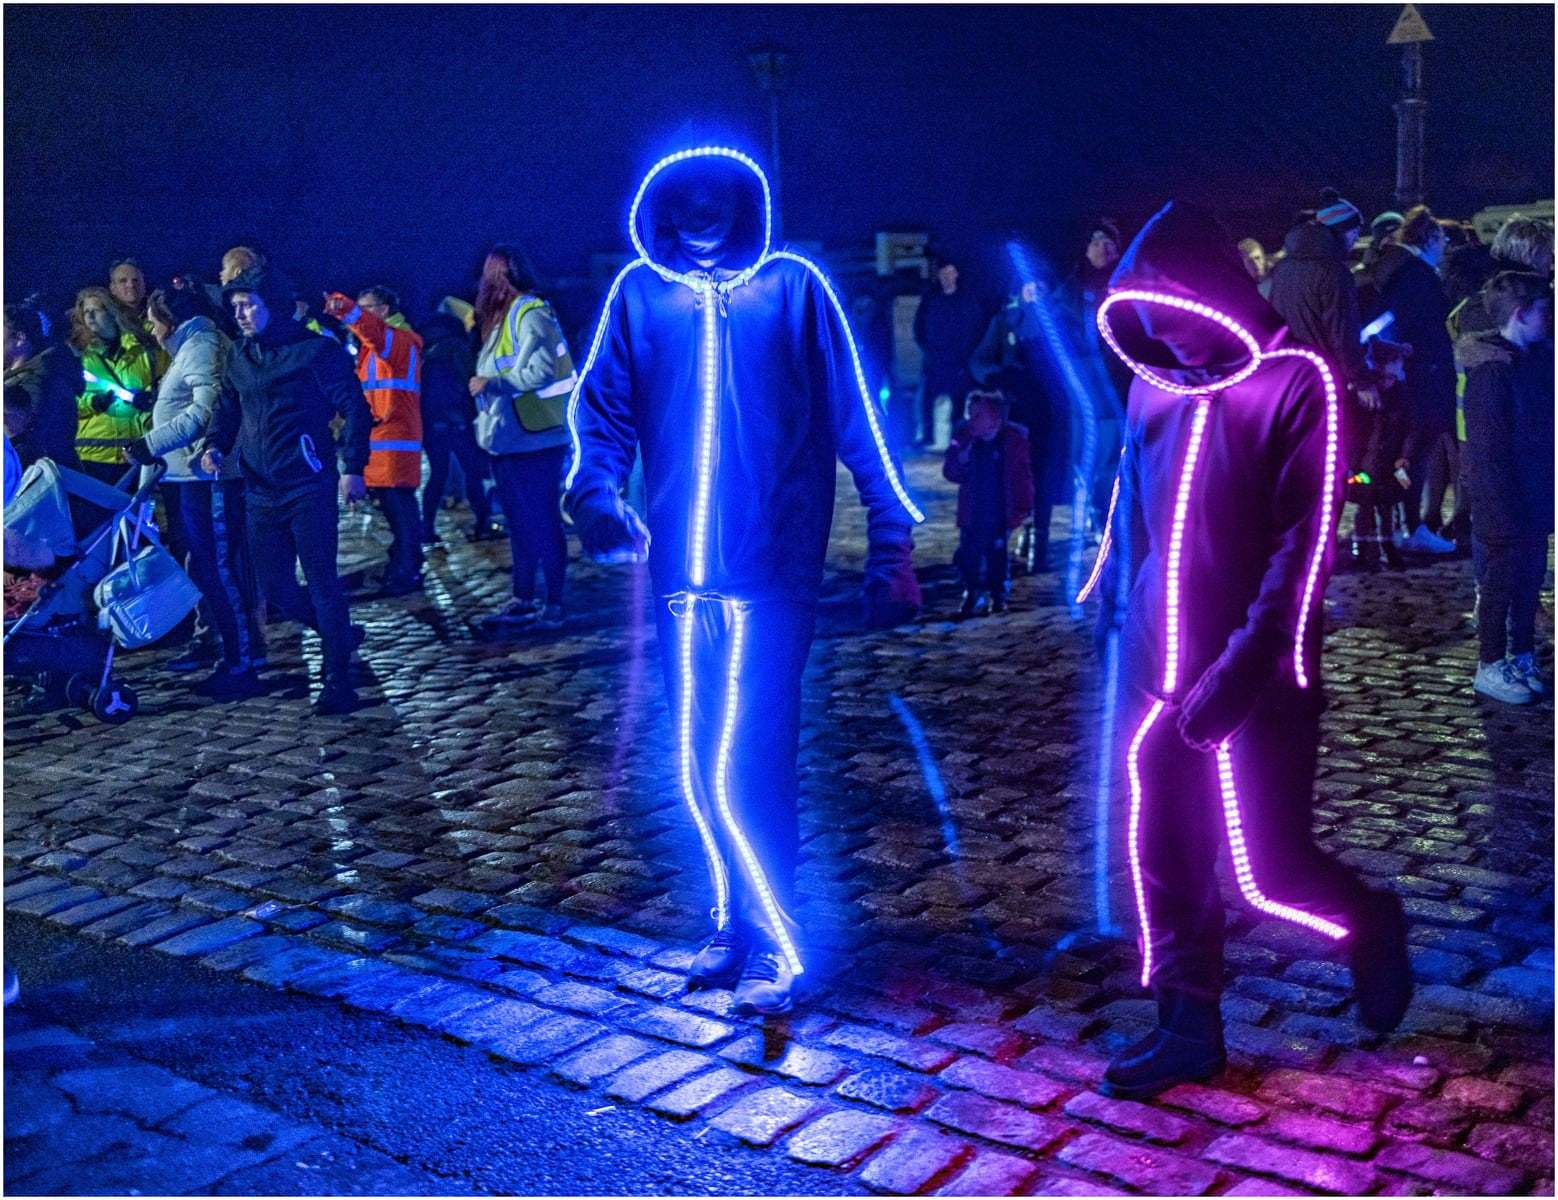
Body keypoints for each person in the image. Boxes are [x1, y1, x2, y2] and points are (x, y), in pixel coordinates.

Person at [567, 147, 922, 1016]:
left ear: (743, 200)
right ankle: (733, 921)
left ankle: (778, 942)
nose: (700, 211)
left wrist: (891, 537)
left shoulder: (795, 288)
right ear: (660, 207)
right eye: (682, 198)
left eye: (715, 195)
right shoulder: (639, 299)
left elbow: (855, 415)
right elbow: (602, 410)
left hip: (773, 573)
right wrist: (595, 493)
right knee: (696, 762)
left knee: (749, 762)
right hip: (682, 574)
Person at [1086, 200, 1410, 1099]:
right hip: (1160, 672)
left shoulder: (1300, 380)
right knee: (1170, 855)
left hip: (1261, 681)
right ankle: (1187, 1024)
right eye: (1151, 325)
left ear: (1215, 296)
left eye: (1180, 317)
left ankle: (1370, 922)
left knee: (1272, 871)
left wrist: (1241, 671)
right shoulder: (1152, 382)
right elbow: (1139, 521)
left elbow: (1302, 550)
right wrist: (1130, 631)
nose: (1170, 339)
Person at [196, 265, 372, 715]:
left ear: (270, 304)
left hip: (308, 484)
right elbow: (227, 405)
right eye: (235, 307)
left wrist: (353, 467)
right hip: (259, 489)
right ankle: (340, 636)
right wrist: (214, 443)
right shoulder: (238, 355)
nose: (241, 315)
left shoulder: (315, 351)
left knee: (321, 582)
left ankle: (338, 681)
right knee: (274, 586)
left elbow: (354, 406)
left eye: (248, 305)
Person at [124, 284, 262, 699]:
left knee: (216, 569)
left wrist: (151, 444)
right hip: (188, 477)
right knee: (208, 568)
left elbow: (205, 412)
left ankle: (240, 662)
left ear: (170, 318)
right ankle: (237, 654)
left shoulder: (201, 345)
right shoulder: (190, 346)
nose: (150, 328)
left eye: (152, 320)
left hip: (207, 478)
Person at [469, 246, 576, 632]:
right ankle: (524, 597)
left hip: (535, 441)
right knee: (520, 522)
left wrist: (493, 383)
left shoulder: (530, 313)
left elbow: (542, 371)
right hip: (515, 440)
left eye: (487, 273)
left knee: (542, 522)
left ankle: (553, 603)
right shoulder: (511, 317)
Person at [1462, 272, 1554, 705]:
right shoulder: (1492, 374)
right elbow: (1488, 450)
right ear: (1521, 314)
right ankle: (1490, 662)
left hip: (1532, 492)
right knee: (1501, 582)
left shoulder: (1529, 362)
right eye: (1543, 310)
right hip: (1506, 499)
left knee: (1528, 579)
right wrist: (1498, 507)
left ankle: (1520, 652)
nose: (1550, 317)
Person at [323, 285, 425, 596]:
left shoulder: (397, 340)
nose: (361, 314)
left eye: (367, 307)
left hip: (394, 441)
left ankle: (407, 569)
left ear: (383, 310)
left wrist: (343, 307)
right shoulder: (381, 346)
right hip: (383, 440)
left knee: (401, 510)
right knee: (393, 512)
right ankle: (401, 564)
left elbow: (371, 331)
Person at [969, 276, 1070, 574]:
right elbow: (979, 360)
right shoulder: (1005, 321)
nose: (1034, 292)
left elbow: (1081, 358)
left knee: (1044, 478)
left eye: (1040, 286)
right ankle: (1003, 541)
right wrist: (998, 377)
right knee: (1010, 479)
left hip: (1049, 415)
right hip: (1014, 416)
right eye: (1029, 286)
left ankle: (1040, 543)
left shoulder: (1061, 321)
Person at [1371, 206, 1457, 553]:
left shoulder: (1396, 270)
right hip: (1425, 376)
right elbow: (1425, 327)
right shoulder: (1418, 274)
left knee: (1406, 453)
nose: (1445, 246)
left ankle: (1402, 524)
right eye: (1442, 239)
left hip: (1410, 374)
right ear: (1431, 238)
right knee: (1412, 456)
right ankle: (1412, 525)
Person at [943, 390, 1033, 616]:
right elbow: (951, 472)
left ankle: (998, 594)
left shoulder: (1012, 442)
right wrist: (961, 462)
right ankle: (972, 591)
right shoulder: (964, 439)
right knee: (968, 553)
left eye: (978, 416)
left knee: (997, 556)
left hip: (1000, 511)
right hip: (973, 511)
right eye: (969, 415)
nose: (971, 421)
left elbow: (1022, 477)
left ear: (995, 419)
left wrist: (1023, 507)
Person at [68, 287, 167, 486]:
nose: (91, 316)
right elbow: (65, 403)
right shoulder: (78, 354)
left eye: (97, 310)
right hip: (93, 455)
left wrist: (149, 399)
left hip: (135, 453)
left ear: (112, 312)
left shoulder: (144, 349)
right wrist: (92, 402)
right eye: (86, 312)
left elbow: (167, 386)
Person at [417, 311, 495, 546]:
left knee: (437, 476)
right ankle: (482, 523)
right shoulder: (457, 349)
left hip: (431, 424)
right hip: (458, 421)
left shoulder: (424, 353)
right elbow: (469, 381)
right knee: (472, 473)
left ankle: (427, 528)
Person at [912, 255, 985, 448]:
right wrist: (927, 348)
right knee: (927, 400)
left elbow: (975, 329)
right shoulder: (931, 299)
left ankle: (956, 439)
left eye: (951, 272)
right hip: (934, 359)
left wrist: (965, 354)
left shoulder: (967, 301)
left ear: (957, 274)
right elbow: (919, 326)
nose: (947, 277)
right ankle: (927, 436)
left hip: (958, 361)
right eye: (944, 273)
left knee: (958, 403)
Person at [4, 301, 81, 469]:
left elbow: (21, 429)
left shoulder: (44, 379)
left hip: (39, 481)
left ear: (19, 338)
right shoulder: (16, 378)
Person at [108, 256, 149, 324]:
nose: (131, 285)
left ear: (144, 286)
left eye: (135, 280)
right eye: (123, 281)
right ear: (112, 288)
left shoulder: (159, 314)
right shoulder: (107, 320)